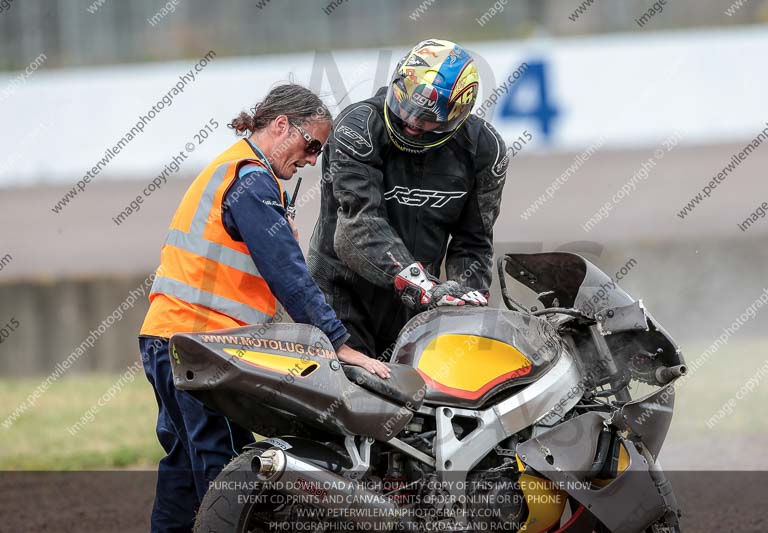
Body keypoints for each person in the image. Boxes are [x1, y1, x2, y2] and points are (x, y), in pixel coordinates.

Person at [138, 84, 389, 533]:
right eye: (311, 144)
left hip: (168, 337)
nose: (312, 159)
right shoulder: (252, 180)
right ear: (280, 126)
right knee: (227, 472)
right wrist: (339, 343)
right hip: (201, 344)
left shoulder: (233, 170)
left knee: (185, 465)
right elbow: (287, 272)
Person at [308, 39, 508, 359]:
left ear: (457, 115)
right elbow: (357, 226)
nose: (411, 122)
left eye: (427, 117)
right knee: (355, 399)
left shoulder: (485, 150)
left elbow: (474, 242)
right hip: (340, 296)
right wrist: (424, 287)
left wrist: (467, 303)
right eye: (406, 106)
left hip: (416, 307)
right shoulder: (358, 126)